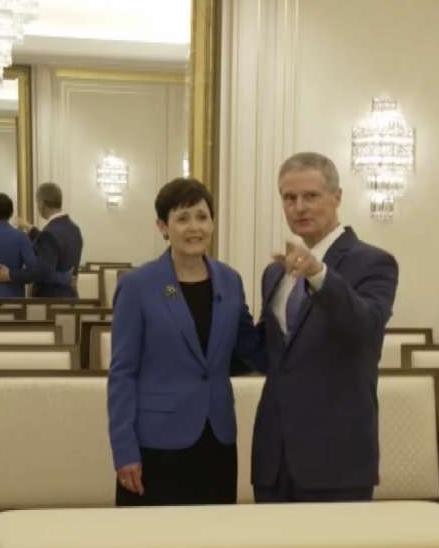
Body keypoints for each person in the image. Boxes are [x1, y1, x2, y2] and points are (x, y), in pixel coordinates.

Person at [251, 152, 398, 503]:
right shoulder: (276, 272)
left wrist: (319, 276)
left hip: (337, 457)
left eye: (311, 196)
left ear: (337, 197)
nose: (299, 207)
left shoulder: (374, 262)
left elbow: (366, 328)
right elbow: (266, 353)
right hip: (275, 456)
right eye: (289, 198)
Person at [107, 178, 259, 506]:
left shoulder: (229, 281)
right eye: (182, 218)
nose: (194, 228)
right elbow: (122, 374)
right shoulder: (138, 285)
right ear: (163, 227)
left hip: (217, 438)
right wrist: (124, 451)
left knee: (212, 546)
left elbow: (249, 349)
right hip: (156, 442)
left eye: (202, 217)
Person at [0, 182, 82, 297]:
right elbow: (53, 244)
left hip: (50, 301)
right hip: (71, 298)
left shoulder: (49, 234)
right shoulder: (74, 229)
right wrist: (29, 227)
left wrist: (10, 274)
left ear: (41, 204)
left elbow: (41, 273)